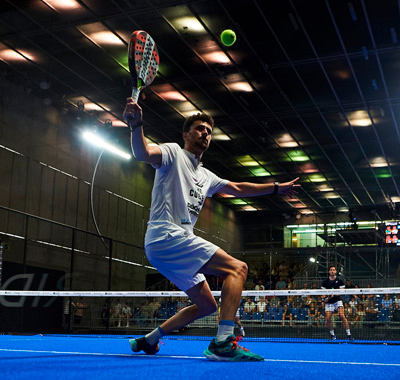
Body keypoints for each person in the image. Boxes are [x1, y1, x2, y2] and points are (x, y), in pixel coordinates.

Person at [123, 99, 300, 361]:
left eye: (208, 130)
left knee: (207, 305)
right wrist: (136, 125)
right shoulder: (174, 153)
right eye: (199, 128)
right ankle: (223, 342)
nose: (205, 133)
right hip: (167, 235)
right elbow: (143, 153)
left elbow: (239, 188)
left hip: (166, 246)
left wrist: (275, 188)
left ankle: (149, 340)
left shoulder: (207, 176)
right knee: (238, 268)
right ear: (186, 135)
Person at [321, 266, 353, 341]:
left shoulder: (340, 281)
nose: (332, 271)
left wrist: (334, 294)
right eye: (331, 270)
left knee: (342, 316)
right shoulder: (325, 282)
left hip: (338, 301)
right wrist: (325, 298)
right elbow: (322, 294)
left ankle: (349, 335)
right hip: (329, 303)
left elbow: (342, 292)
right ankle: (332, 335)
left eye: (334, 270)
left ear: (335, 272)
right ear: (329, 272)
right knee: (328, 318)